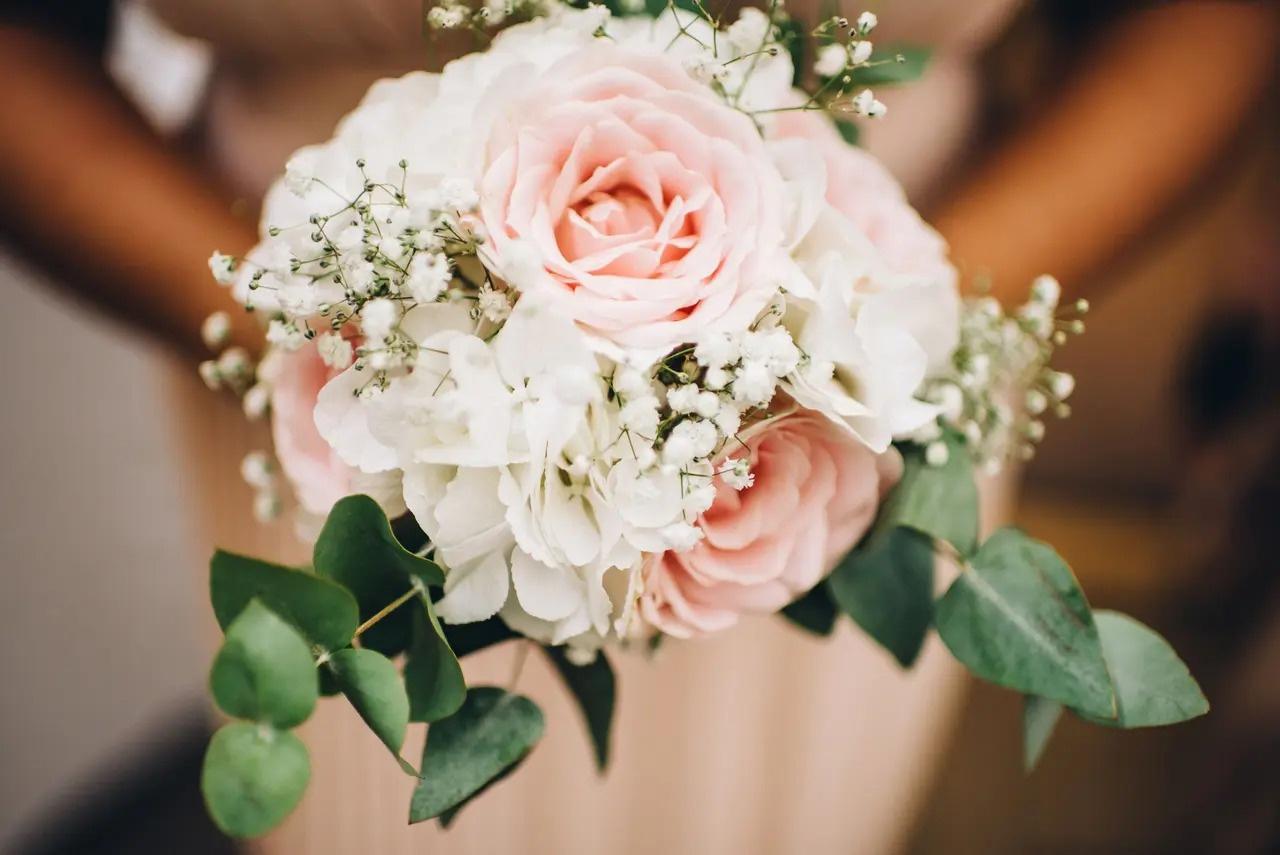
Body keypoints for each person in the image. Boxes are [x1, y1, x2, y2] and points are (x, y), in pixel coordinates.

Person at [0, 2, 1274, 853]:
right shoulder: (343, 376)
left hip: (857, 407)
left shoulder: (867, 370)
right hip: (351, 416)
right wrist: (307, 329)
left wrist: (865, 351)